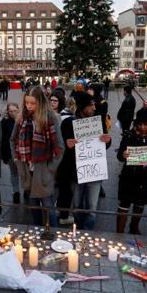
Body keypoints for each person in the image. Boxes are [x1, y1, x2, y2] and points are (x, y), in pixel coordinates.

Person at [12, 86, 64, 226]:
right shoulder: (22, 117)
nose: (29, 106)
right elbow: (13, 140)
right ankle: (37, 232)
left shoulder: (50, 117)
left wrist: (50, 168)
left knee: (48, 207)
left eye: (32, 103)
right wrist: (17, 160)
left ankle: (52, 234)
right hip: (26, 168)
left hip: (42, 169)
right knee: (33, 206)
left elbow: (60, 147)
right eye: (27, 102)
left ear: (40, 102)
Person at [58, 91, 109, 230]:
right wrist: (67, 144)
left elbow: (104, 145)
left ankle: (89, 232)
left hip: (94, 171)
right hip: (77, 173)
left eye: (94, 105)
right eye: (90, 105)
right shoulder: (68, 123)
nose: (94, 108)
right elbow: (62, 145)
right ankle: (79, 231)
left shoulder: (96, 122)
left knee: (92, 207)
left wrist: (106, 141)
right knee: (77, 206)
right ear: (81, 107)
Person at [116, 108, 147, 234]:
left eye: (145, 124)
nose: (142, 127)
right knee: (124, 203)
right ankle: (119, 231)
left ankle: (134, 227)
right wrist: (123, 155)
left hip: (146, 177)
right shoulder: (129, 136)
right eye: (140, 124)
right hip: (129, 176)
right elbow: (119, 155)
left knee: (139, 204)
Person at [1, 103, 21, 204]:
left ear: (18, 110)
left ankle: (27, 190)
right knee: (14, 173)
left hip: (23, 152)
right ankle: (16, 192)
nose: (13, 113)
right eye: (11, 111)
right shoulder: (4, 122)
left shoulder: (24, 120)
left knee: (25, 173)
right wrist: (4, 156)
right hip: (10, 153)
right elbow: (3, 140)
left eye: (15, 111)